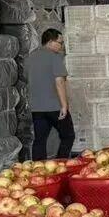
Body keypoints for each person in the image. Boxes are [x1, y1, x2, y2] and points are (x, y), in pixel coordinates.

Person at [27, 28, 74, 160]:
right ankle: (61, 164)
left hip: (37, 107)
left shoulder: (31, 57)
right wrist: (64, 106)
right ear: (50, 42)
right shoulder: (54, 57)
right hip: (54, 106)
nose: (61, 46)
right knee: (68, 136)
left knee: (40, 140)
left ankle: (38, 168)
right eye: (60, 43)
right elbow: (59, 82)